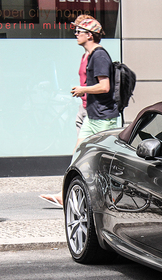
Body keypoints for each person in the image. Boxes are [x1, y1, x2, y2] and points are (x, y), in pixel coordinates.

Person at [40, 17, 117, 207]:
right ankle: (65, 194)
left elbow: (105, 86)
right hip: (90, 113)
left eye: (79, 31)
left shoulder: (99, 56)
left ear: (89, 35)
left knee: (99, 161)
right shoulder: (88, 55)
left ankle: (110, 196)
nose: (75, 34)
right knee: (79, 156)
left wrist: (84, 89)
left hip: (102, 116)